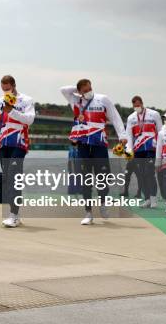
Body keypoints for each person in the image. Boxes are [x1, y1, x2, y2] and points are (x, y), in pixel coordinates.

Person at [60, 79, 127, 225]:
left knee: (102, 177)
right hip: (83, 143)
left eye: (90, 88)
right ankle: (88, 212)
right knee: (85, 179)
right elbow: (63, 89)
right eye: (85, 90)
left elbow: (115, 117)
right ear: (79, 92)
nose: (88, 91)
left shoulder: (102, 99)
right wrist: (78, 91)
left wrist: (122, 136)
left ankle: (103, 203)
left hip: (99, 143)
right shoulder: (75, 100)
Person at [0, 75, 35, 228]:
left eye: (8, 88)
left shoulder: (26, 100)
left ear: (13, 85)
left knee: (13, 176)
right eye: (3, 89)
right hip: (3, 143)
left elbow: (29, 119)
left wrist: (11, 111)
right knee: (7, 178)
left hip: (19, 142)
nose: (6, 91)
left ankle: (14, 215)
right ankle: (15, 214)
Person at [124, 96, 163, 208]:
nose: (137, 107)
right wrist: (128, 151)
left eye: (138, 105)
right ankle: (147, 199)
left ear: (142, 103)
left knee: (149, 173)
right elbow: (129, 136)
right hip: (138, 150)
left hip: (151, 148)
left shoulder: (154, 114)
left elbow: (161, 132)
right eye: (134, 106)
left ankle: (153, 198)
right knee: (141, 175)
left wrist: (161, 149)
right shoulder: (131, 118)